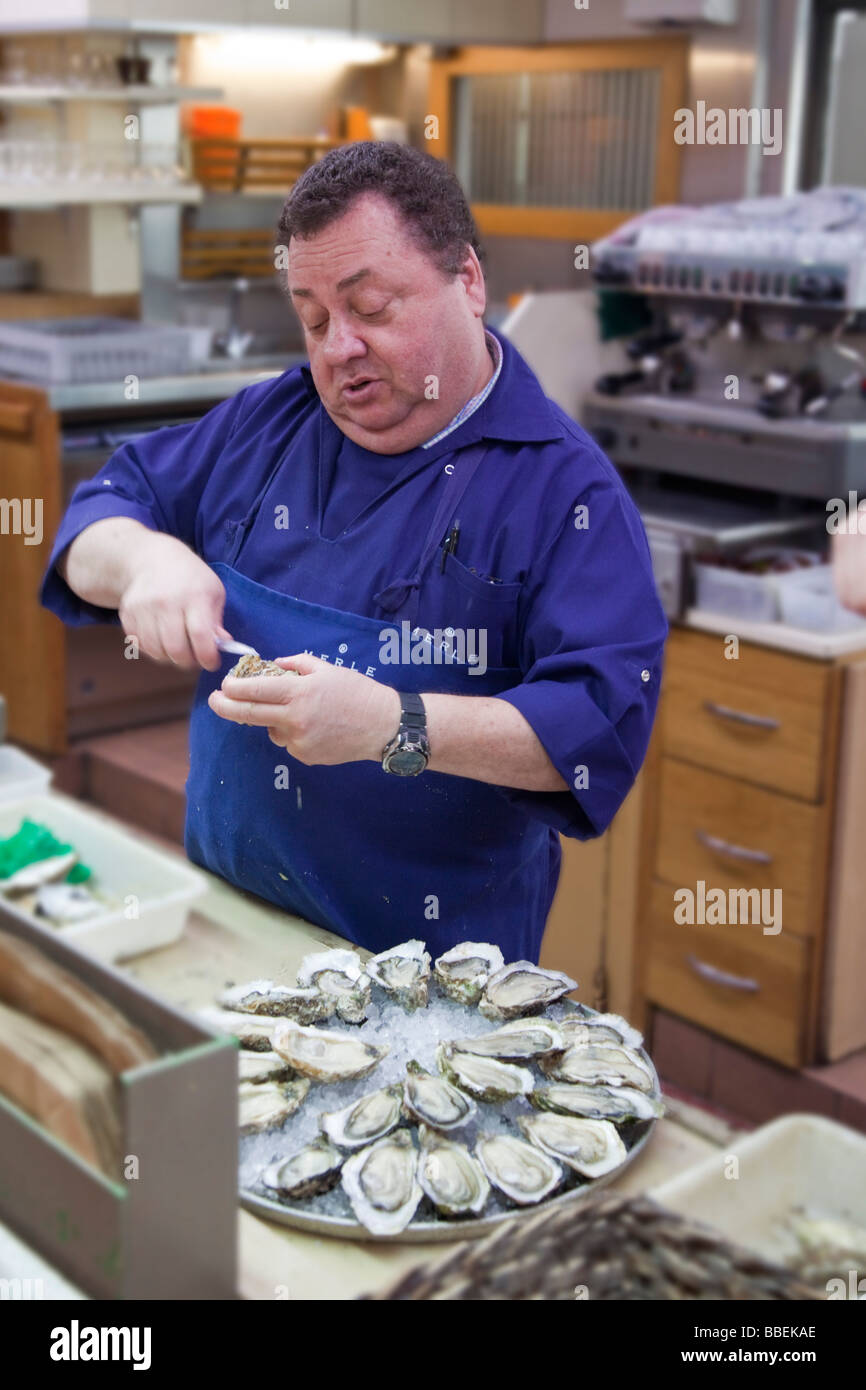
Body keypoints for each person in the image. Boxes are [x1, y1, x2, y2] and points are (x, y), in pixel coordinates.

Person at [41, 142, 667, 962]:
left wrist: (394, 724)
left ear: (468, 282)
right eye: (313, 319)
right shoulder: (268, 423)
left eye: (371, 308)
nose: (338, 348)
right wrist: (142, 562)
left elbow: (597, 731)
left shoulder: (563, 492)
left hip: (432, 982)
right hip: (236, 930)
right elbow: (95, 517)